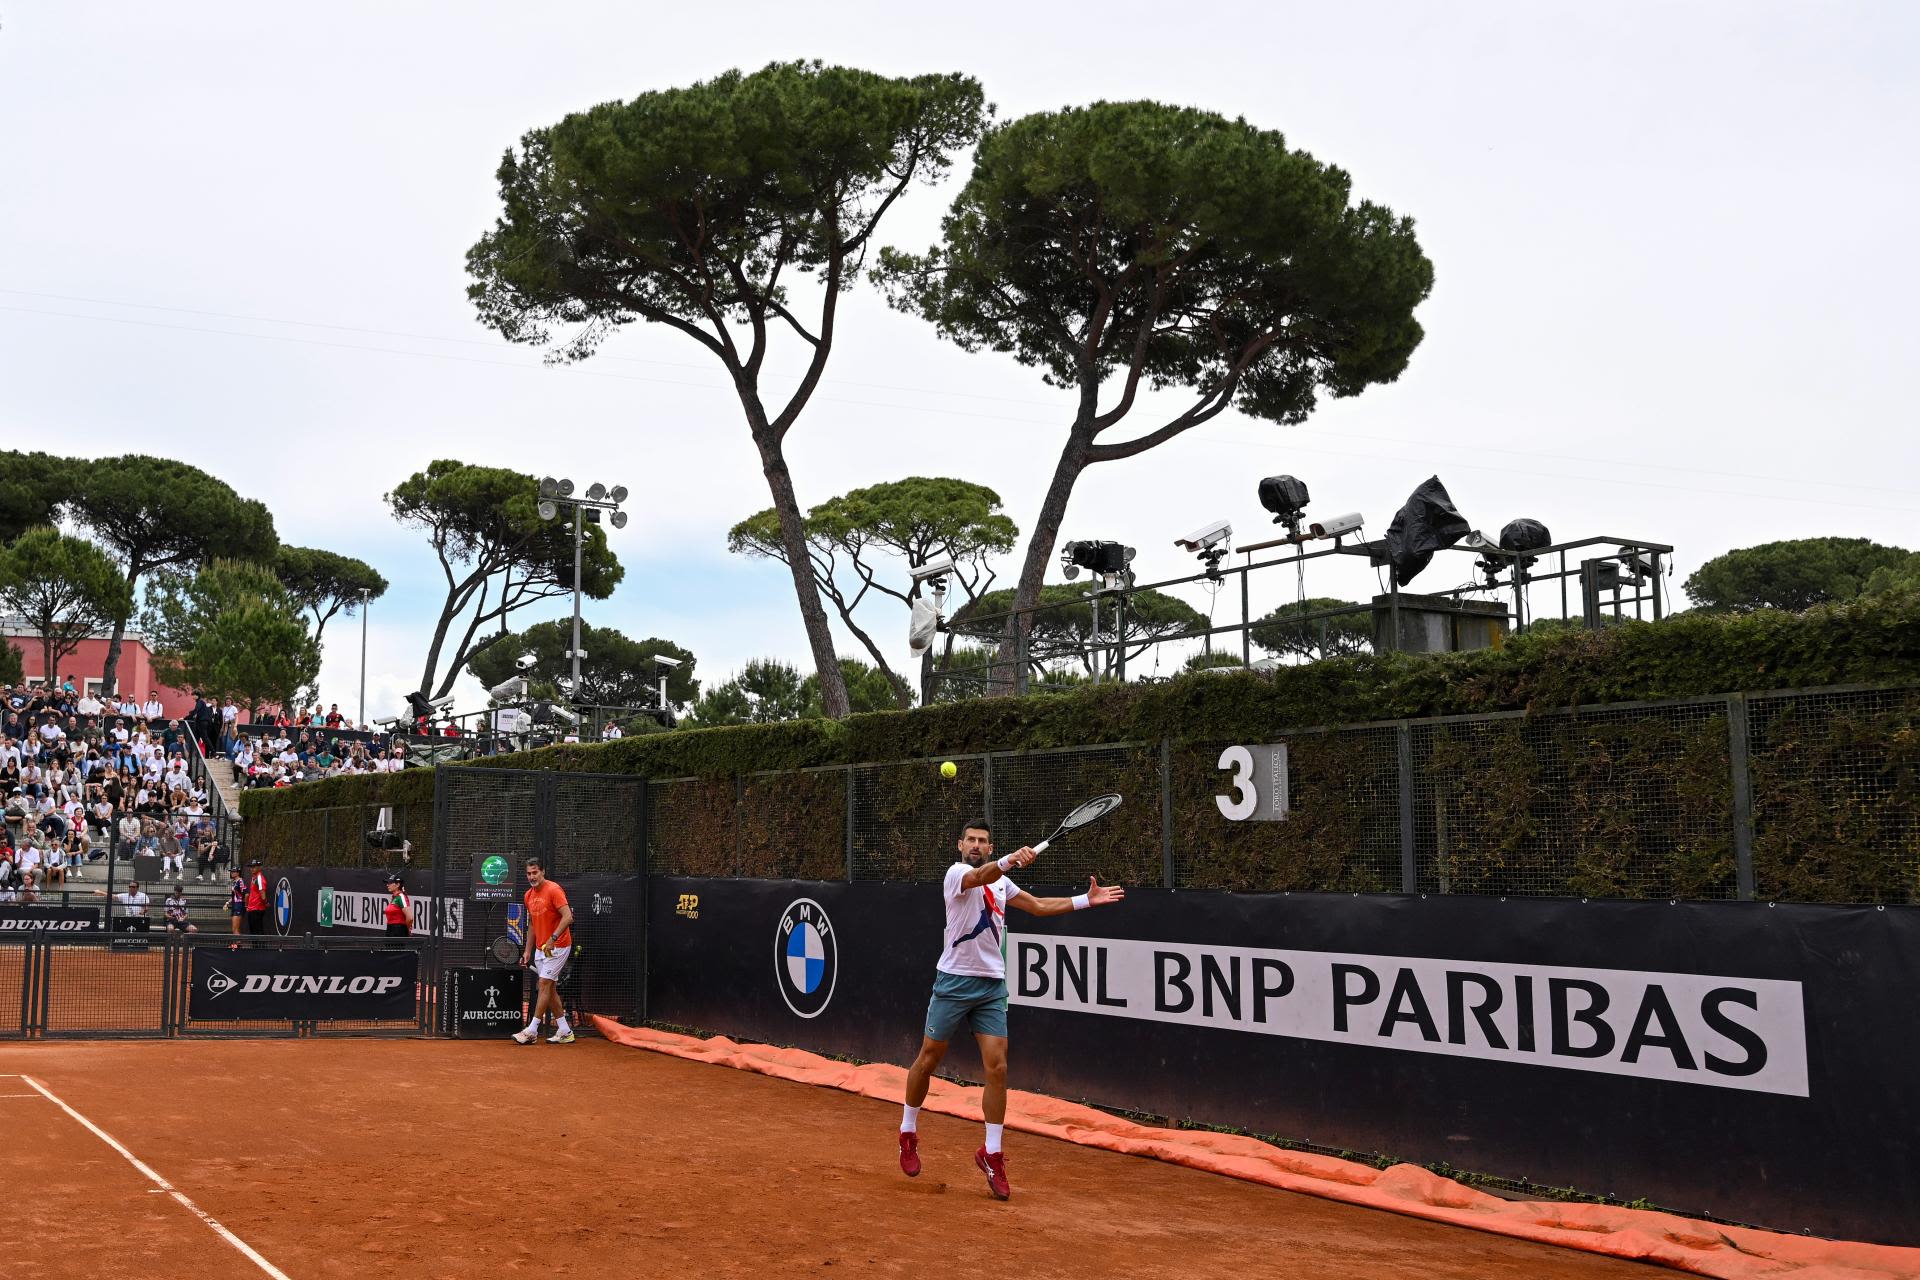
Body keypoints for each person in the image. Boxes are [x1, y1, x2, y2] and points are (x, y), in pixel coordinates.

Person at [896, 819, 1126, 1200]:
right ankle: (907, 1131)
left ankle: (992, 1153)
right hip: (953, 982)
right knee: (929, 1059)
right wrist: (1007, 861)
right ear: (960, 845)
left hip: (991, 985)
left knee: (998, 1067)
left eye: (982, 841)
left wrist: (1087, 900)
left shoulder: (1001, 882)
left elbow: (1036, 906)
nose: (975, 845)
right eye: (970, 839)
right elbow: (983, 875)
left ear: (989, 846)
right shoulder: (957, 875)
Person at [513, 856, 575, 1045]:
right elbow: (532, 923)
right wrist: (527, 951)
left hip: (559, 945)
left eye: (535, 873)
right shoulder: (528, 895)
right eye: (529, 873)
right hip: (541, 948)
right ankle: (565, 1031)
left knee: (544, 984)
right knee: (550, 988)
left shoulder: (554, 890)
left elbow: (568, 917)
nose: (532, 877)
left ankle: (532, 1030)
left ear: (543, 872)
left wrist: (552, 938)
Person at [380, 870, 414, 948]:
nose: (387, 885)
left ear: (398, 884)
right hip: (390, 930)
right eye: (387, 883)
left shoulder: (401, 897)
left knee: (397, 956)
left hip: (398, 931)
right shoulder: (394, 897)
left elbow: (410, 917)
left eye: (390, 883)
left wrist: (407, 929)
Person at [243, 859, 270, 940]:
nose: (252, 869)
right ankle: (255, 948)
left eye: (254, 867)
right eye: (251, 867)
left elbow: (263, 895)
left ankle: (260, 949)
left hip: (257, 909)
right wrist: (248, 906)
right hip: (252, 909)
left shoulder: (259, 878)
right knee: (253, 931)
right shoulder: (253, 878)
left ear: (259, 867)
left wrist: (265, 903)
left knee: (258, 931)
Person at [226, 867, 248, 944]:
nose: (232, 873)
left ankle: (238, 945)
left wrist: (245, 905)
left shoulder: (241, 881)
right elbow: (235, 895)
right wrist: (228, 902)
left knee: (235, 928)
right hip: (234, 906)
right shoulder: (234, 882)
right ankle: (237, 944)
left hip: (239, 906)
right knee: (234, 929)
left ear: (238, 873)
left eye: (233, 871)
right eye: (231, 871)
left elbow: (246, 894)